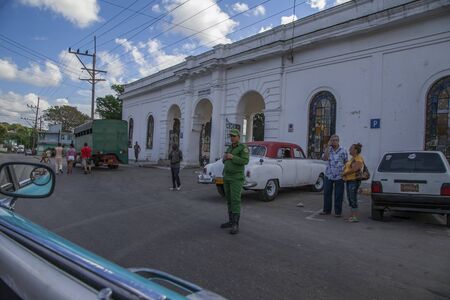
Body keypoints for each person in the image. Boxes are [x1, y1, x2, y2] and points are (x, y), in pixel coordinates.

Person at [220, 128, 249, 235]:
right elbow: (224, 161)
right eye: (231, 136)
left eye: (234, 136)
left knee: (235, 200)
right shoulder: (229, 147)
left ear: (238, 137)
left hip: (236, 178)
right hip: (227, 177)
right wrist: (224, 158)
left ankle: (235, 224)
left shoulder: (243, 148)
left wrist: (233, 157)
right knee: (229, 200)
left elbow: (245, 161)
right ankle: (231, 221)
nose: (232, 137)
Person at [321, 134, 348, 217]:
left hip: (339, 175)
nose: (334, 142)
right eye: (332, 140)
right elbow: (324, 158)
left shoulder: (343, 150)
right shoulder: (329, 150)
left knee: (338, 194)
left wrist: (346, 173)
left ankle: (338, 212)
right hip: (329, 175)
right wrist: (328, 147)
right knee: (327, 193)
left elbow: (346, 162)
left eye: (335, 140)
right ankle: (326, 210)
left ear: (338, 141)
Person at [342, 143, 365, 222]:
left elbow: (355, 169)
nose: (349, 149)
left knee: (353, 198)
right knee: (350, 198)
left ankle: (354, 217)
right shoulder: (352, 158)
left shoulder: (358, 158)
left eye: (351, 148)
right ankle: (352, 216)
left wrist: (344, 173)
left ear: (355, 150)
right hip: (349, 180)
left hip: (354, 181)